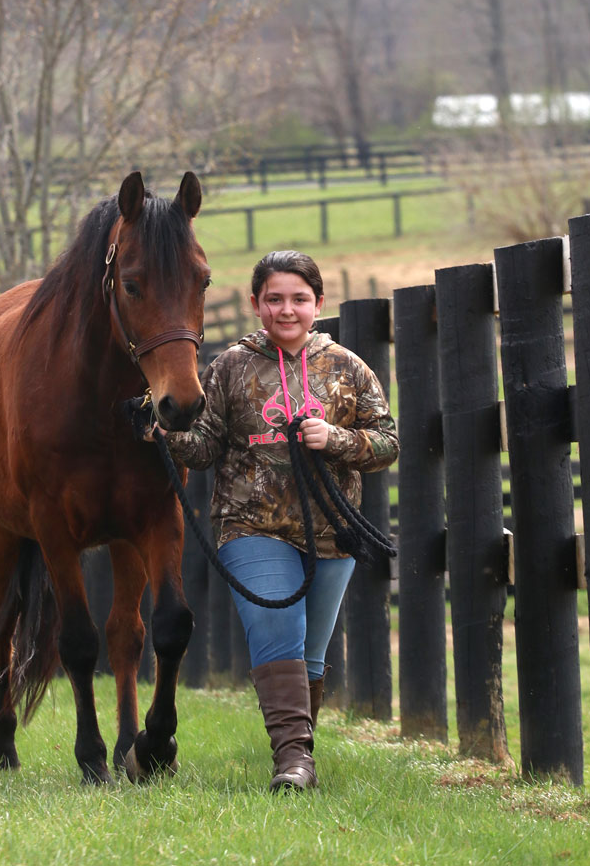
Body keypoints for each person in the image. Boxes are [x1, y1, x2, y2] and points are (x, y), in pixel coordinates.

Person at [151, 250, 398, 791]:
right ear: (257, 304)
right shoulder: (230, 368)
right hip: (249, 525)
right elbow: (205, 447)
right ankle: (293, 763)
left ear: (318, 303)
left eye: (299, 299)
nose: (287, 310)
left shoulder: (349, 367)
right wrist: (165, 432)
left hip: (333, 528)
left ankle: (297, 751)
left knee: (310, 652)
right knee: (276, 629)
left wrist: (335, 438)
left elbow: (387, 442)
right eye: (275, 299)